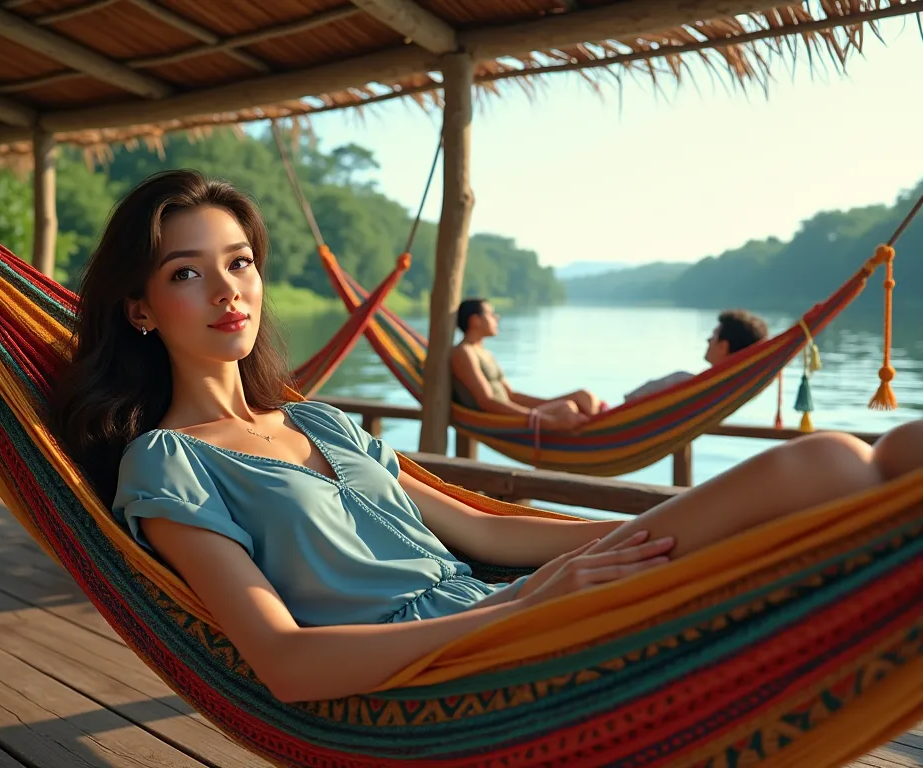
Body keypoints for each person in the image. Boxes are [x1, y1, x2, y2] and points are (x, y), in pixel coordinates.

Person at [50, 170, 922, 705]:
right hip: (465, 665)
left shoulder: (319, 420)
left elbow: (489, 532)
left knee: (847, 469)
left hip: (518, 606)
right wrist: (524, 605)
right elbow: (284, 662)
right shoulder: (168, 463)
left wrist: (657, 533)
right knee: (831, 464)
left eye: (240, 261)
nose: (226, 290)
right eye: (187, 273)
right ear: (139, 307)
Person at [451, 298, 606, 431]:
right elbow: (486, 401)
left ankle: (607, 426)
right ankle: (602, 433)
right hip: (501, 420)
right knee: (566, 408)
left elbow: (511, 395)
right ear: (475, 320)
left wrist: (546, 405)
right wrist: (540, 418)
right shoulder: (464, 352)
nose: (496, 318)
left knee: (583, 396)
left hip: (516, 412)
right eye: (491, 314)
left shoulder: (485, 353)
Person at [623, 310, 768, 402]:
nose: (708, 340)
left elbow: (630, 400)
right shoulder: (727, 391)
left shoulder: (685, 383)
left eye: (714, 335)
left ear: (723, 346)